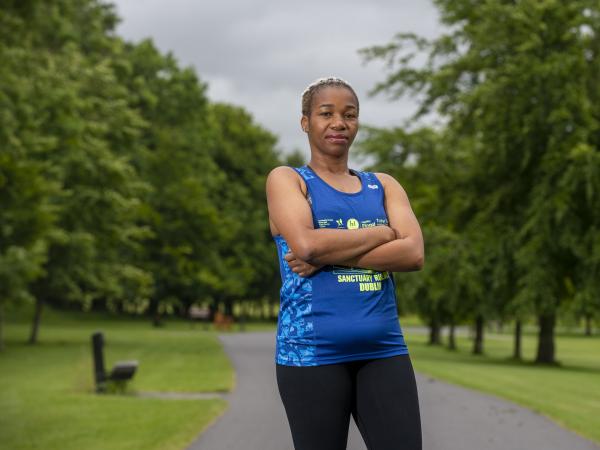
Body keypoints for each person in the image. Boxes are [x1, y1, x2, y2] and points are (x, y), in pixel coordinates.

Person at [266, 76, 424, 450]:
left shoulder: (383, 185)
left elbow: (414, 254)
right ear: (306, 122)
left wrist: (326, 252)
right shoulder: (288, 180)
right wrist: (384, 233)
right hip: (311, 353)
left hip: (383, 350)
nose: (339, 122)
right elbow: (305, 245)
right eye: (326, 113)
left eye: (349, 114)